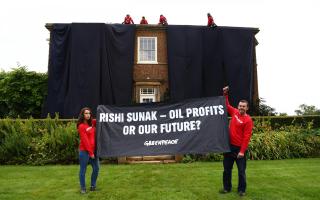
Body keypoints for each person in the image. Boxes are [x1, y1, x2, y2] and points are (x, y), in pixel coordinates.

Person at [220, 86, 253, 196]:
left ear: (247, 108)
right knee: (227, 170)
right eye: (240, 106)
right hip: (229, 147)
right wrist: (225, 94)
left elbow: (246, 137)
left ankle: (241, 190)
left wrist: (242, 151)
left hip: (239, 150)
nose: (241, 108)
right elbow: (226, 105)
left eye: (243, 106)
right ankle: (226, 188)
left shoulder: (248, 120)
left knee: (241, 172)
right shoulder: (234, 112)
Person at [77, 107, 99, 194]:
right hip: (84, 152)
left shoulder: (92, 123)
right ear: (82, 115)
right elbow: (85, 141)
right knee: (83, 170)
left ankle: (93, 186)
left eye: (89, 113)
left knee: (96, 168)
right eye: (86, 113)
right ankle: (83, 188)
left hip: (93, 151)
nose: (88, 115)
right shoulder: (81, 126)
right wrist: (91, 153)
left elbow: (101, 119)